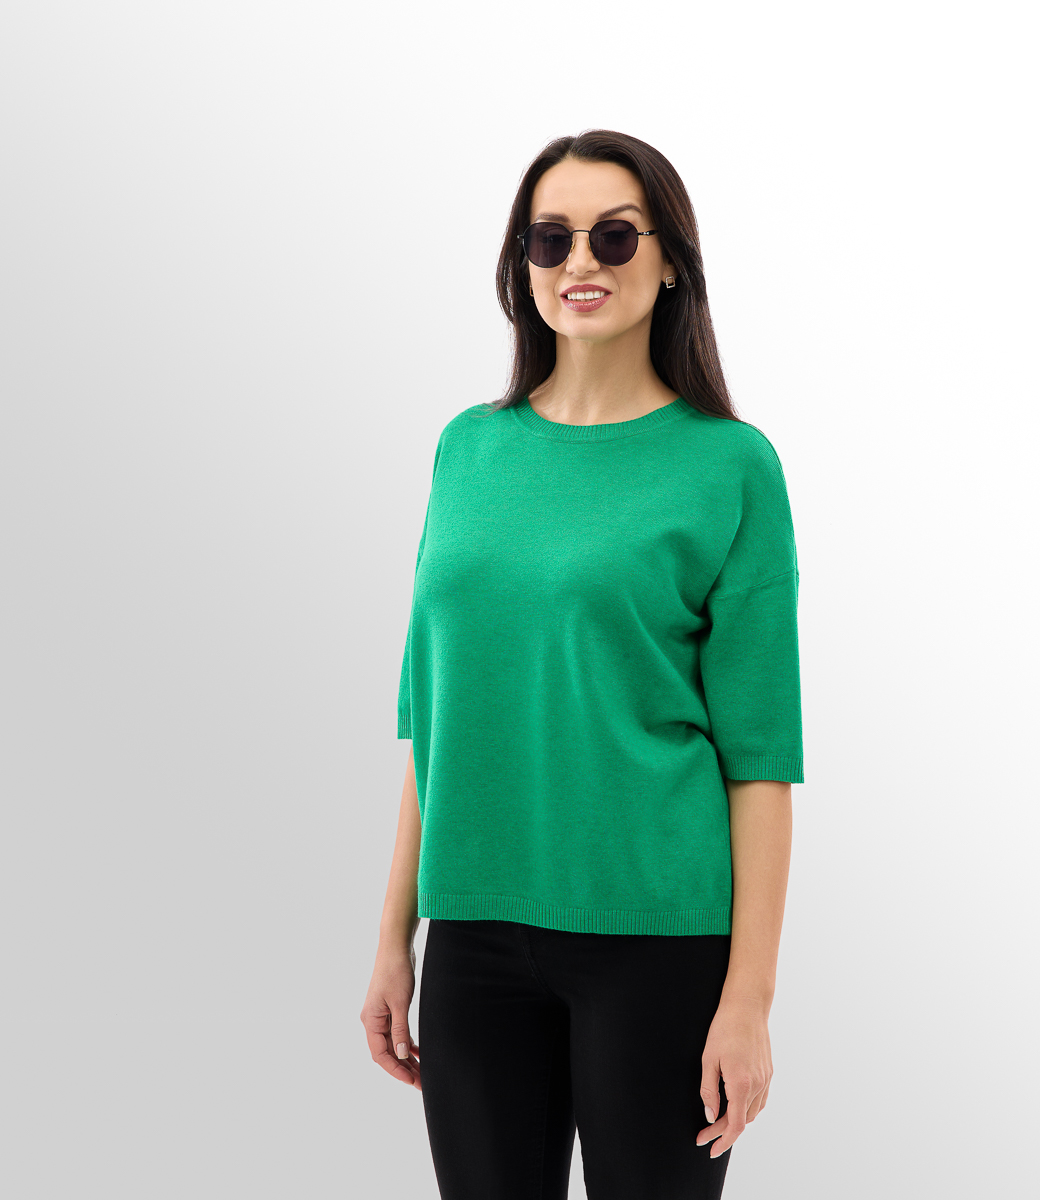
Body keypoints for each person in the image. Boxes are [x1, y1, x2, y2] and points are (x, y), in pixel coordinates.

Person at [360, 129, 804, 1200]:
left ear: (670, 262)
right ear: (521, 263)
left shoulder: (730, 465)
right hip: (473, 940)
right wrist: (392, 939)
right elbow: (435, 723)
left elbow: (759, 758)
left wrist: (748, 1001)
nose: (579, 263)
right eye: (550, 238)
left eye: (614, 235)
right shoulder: (468, 448)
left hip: (659, 943)